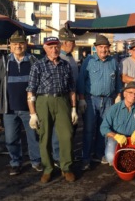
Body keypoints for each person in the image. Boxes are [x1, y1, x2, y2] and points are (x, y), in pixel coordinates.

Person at [26, 36, 77, 183]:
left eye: (56, 46)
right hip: (44, 101)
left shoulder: (66, 65)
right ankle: (48, 169)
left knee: (66, 135)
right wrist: (33, 113)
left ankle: (66, 167)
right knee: (45, 136)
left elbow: (72, 89)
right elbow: (31, 91)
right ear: (45, 48)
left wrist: (73, 108)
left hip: (62, 101)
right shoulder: (38, 65)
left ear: (60, 47)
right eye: (50, 46)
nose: (54, 49)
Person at [0, 30, 42, 176]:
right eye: (15, 44)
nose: (18, 46)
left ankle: (36, 161)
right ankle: (15, 162)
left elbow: (39, 83)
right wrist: (6, 96)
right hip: (10, 109)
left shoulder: (34, 61)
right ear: (10, 46)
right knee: (11, 139)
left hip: (29, 109)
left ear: (26, 44)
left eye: (21, 43)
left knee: (33, 136)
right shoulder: (4, 62)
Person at [77, 34, 122, 171]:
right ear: (96, 48)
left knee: (104, 130)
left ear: (109, 48)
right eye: (101, 47)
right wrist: (82, 99)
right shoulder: (88, 61)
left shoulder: (113, 62)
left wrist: (119, 95)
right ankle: (86, 157)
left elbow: (118, 82)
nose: (103, 49)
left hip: (108, 100)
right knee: (89, 129)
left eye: (106, 47)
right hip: (91, 99)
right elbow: (81, 80)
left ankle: (99, 153)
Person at [100, 81, 135, 166]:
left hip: (133, 138)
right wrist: (115, 136)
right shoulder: (114, 108)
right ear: (124, 94)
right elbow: (104, 128)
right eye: (130, 92)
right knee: (110, 158)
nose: (134, 95)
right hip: (118, 137)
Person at [51, 27, 79, 167]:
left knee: (71, 128)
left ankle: (68, 153)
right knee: (59, 128)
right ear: (64, 42)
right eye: (71, 42)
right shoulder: (58, 58)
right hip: (63, 99)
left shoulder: (70, 57)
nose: (73, 44)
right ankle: (57, 156)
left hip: (73, 98)